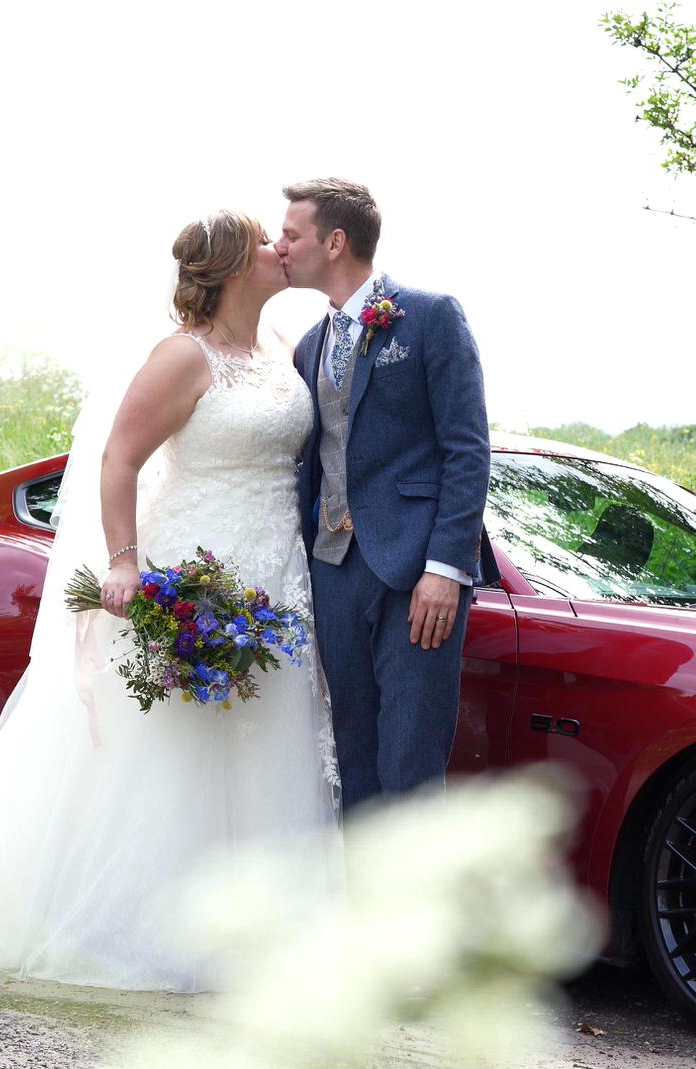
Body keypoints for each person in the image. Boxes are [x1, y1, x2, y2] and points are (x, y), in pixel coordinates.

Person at [0, 210, 342, 992]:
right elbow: (119, 458)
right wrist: (124, 562)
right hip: (195, 569)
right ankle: (147, 930)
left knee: (264, 748)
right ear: (229, 267)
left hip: (276, 576)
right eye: (263, 241)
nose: (278, 249)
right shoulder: (182, 356)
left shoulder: (282, 348)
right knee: (174, 753)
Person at [276, 178, 490, 812]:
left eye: (291, 235)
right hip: (333, 570)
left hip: (417, 575)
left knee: (410, 765)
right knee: (354, 762)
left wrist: (446, 569)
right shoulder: (309, 347)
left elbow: (467, 449)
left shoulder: (430, 317)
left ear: (334, 242)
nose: (280, 246)